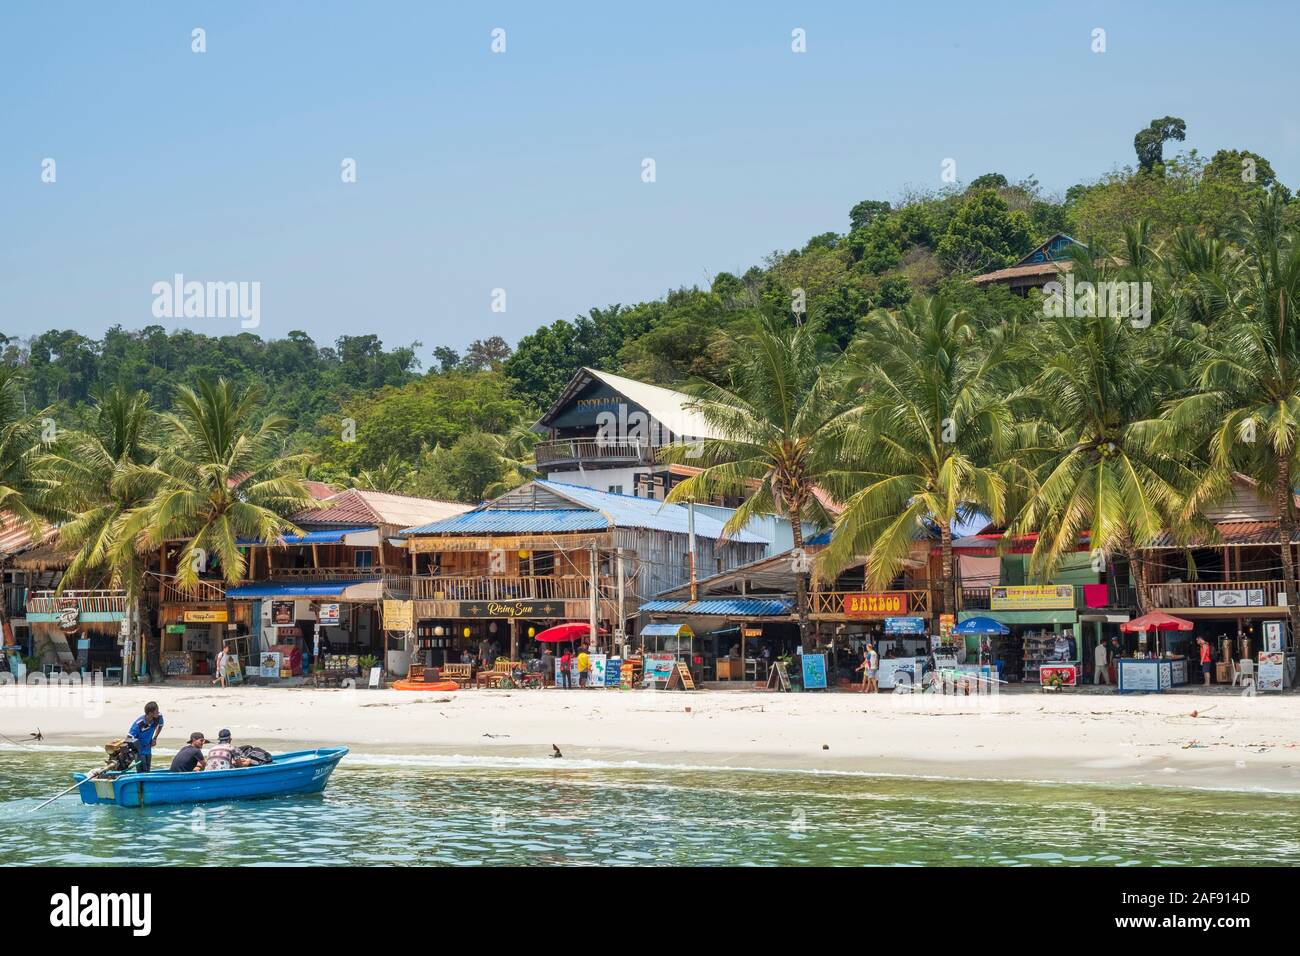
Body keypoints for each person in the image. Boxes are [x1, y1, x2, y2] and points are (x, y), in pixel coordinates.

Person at [126, 701, 165, 772]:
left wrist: (155, 738)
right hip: (139, 751)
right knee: (142, 772)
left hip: (148, 748)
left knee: (147, 771)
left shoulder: (158, 717)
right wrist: (136, 750)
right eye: (156, 711)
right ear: (150, 713)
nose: (158, 712)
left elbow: (161, 725)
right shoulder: (139, 723)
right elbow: (128, 738)